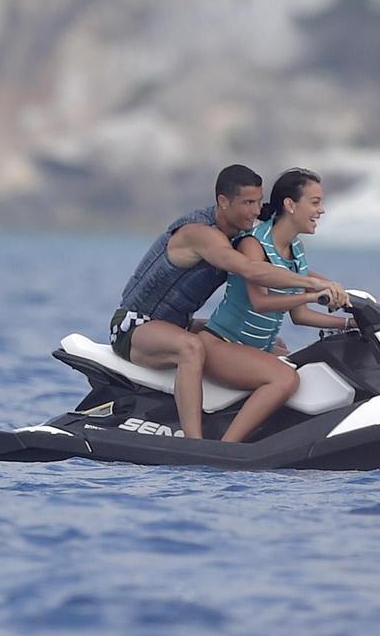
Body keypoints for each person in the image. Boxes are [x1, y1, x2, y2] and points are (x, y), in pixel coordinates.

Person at [110, 164, 348, 442]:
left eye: (259, 202)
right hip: (135, 324)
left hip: (178, 324)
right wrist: (313, 287)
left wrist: (341, 294)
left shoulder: (239, 235)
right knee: (191, 347)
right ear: (223, 202)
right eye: (247, 203)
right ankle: (194, 443)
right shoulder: (201, 234)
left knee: (277, 346)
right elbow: (252, 269)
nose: (256, 211)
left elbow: (281, 267)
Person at [207, 168, 353, 353]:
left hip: (260, 348)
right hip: (229, 342)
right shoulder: (254, 243)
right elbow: (260, 303)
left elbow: (300, 314)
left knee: (309, 370)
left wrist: (350, 323)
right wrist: (313, 296)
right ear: (290, 205)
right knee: (288, 379)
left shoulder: (296, 248)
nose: (321, 210)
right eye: (315, 202)